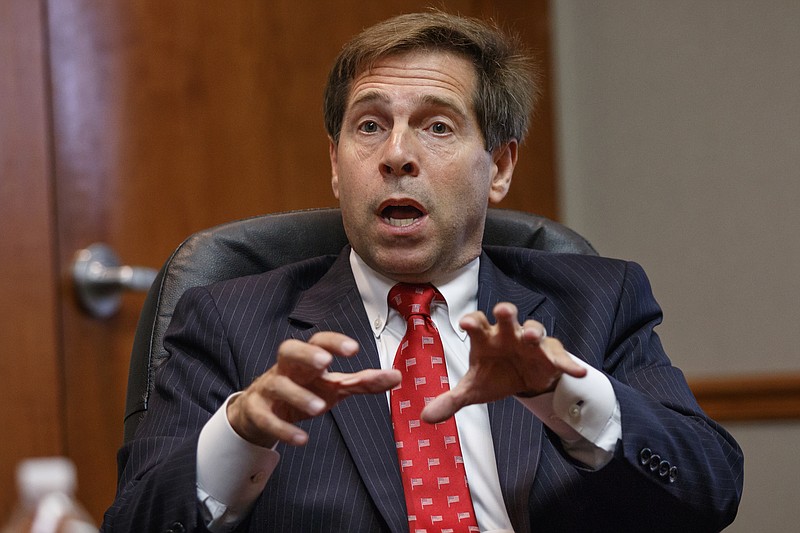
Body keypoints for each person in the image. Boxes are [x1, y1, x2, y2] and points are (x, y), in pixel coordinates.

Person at [103, 11, 743, 533]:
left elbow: (709, 493)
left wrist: (562, 394)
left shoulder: (597, 301)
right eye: (370, 126)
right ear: (336, 163)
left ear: (499, 168)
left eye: (437, 126)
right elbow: (133, 523)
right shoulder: (228, 320)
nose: (396, 155)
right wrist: (239, 432)